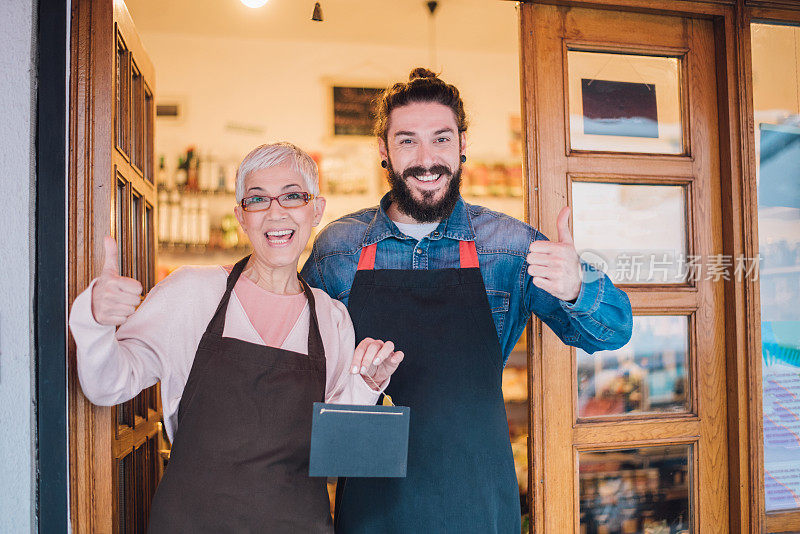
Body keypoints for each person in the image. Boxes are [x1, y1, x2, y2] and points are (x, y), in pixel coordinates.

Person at [300, 69, 633, 533]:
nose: (426, 159)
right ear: (384, 150)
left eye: (440, 139)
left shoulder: (507, 247)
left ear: (461, 145)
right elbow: (298, 368)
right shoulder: (339, 249)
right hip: (372, 502)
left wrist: (579, 286)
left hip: (475, 496)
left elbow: (613, 332)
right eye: (407, 142)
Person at [69, 142, 404, 533]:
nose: (275, 212)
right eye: (257, 199)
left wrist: (366, 386)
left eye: (293, 196)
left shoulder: (332, 319)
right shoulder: (192, 294)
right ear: (241, 217)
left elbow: (335, 456)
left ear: (316, 210)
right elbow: (106, 385)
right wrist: (92, 318)